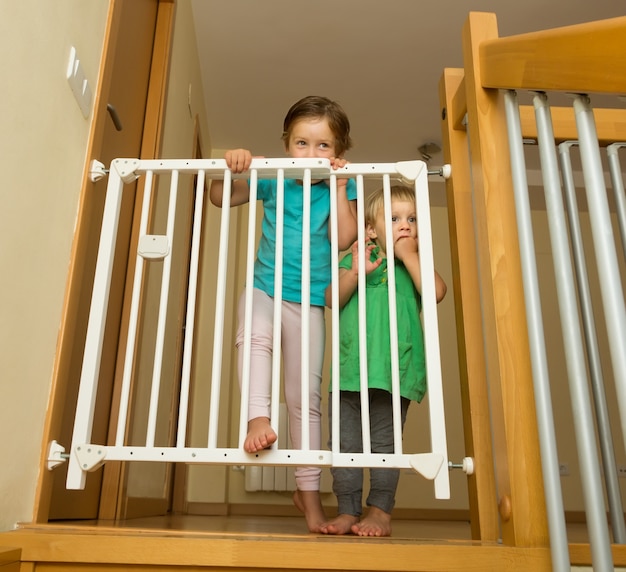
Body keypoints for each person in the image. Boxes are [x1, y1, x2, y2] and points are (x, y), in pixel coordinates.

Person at [209, 95, 358, 532]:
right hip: (264, 289)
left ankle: (309, 496)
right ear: (286, 145)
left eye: (323, 146)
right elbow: (220, 197)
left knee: (305, 399)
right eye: (301, 143)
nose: (311, 154)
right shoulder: (274, 179)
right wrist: (229, 165)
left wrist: (341, 188)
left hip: (309, 301)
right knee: (254, 339)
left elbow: (345, 238)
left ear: (339, 153)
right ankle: (258, 417)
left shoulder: (334, 190)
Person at [320, 184, 447, 537]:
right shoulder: (359, 255)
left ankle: (379, 511)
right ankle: (347, 508)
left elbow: (436, 293)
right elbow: (332, 297)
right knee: (344, 446)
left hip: (395, 373)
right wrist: (355, 271)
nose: (405, 225)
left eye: (412, 219)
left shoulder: (416, 263)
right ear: (372, 229)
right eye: (394, 219)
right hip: (351, 370)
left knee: (385, 447)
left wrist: (409, 256)